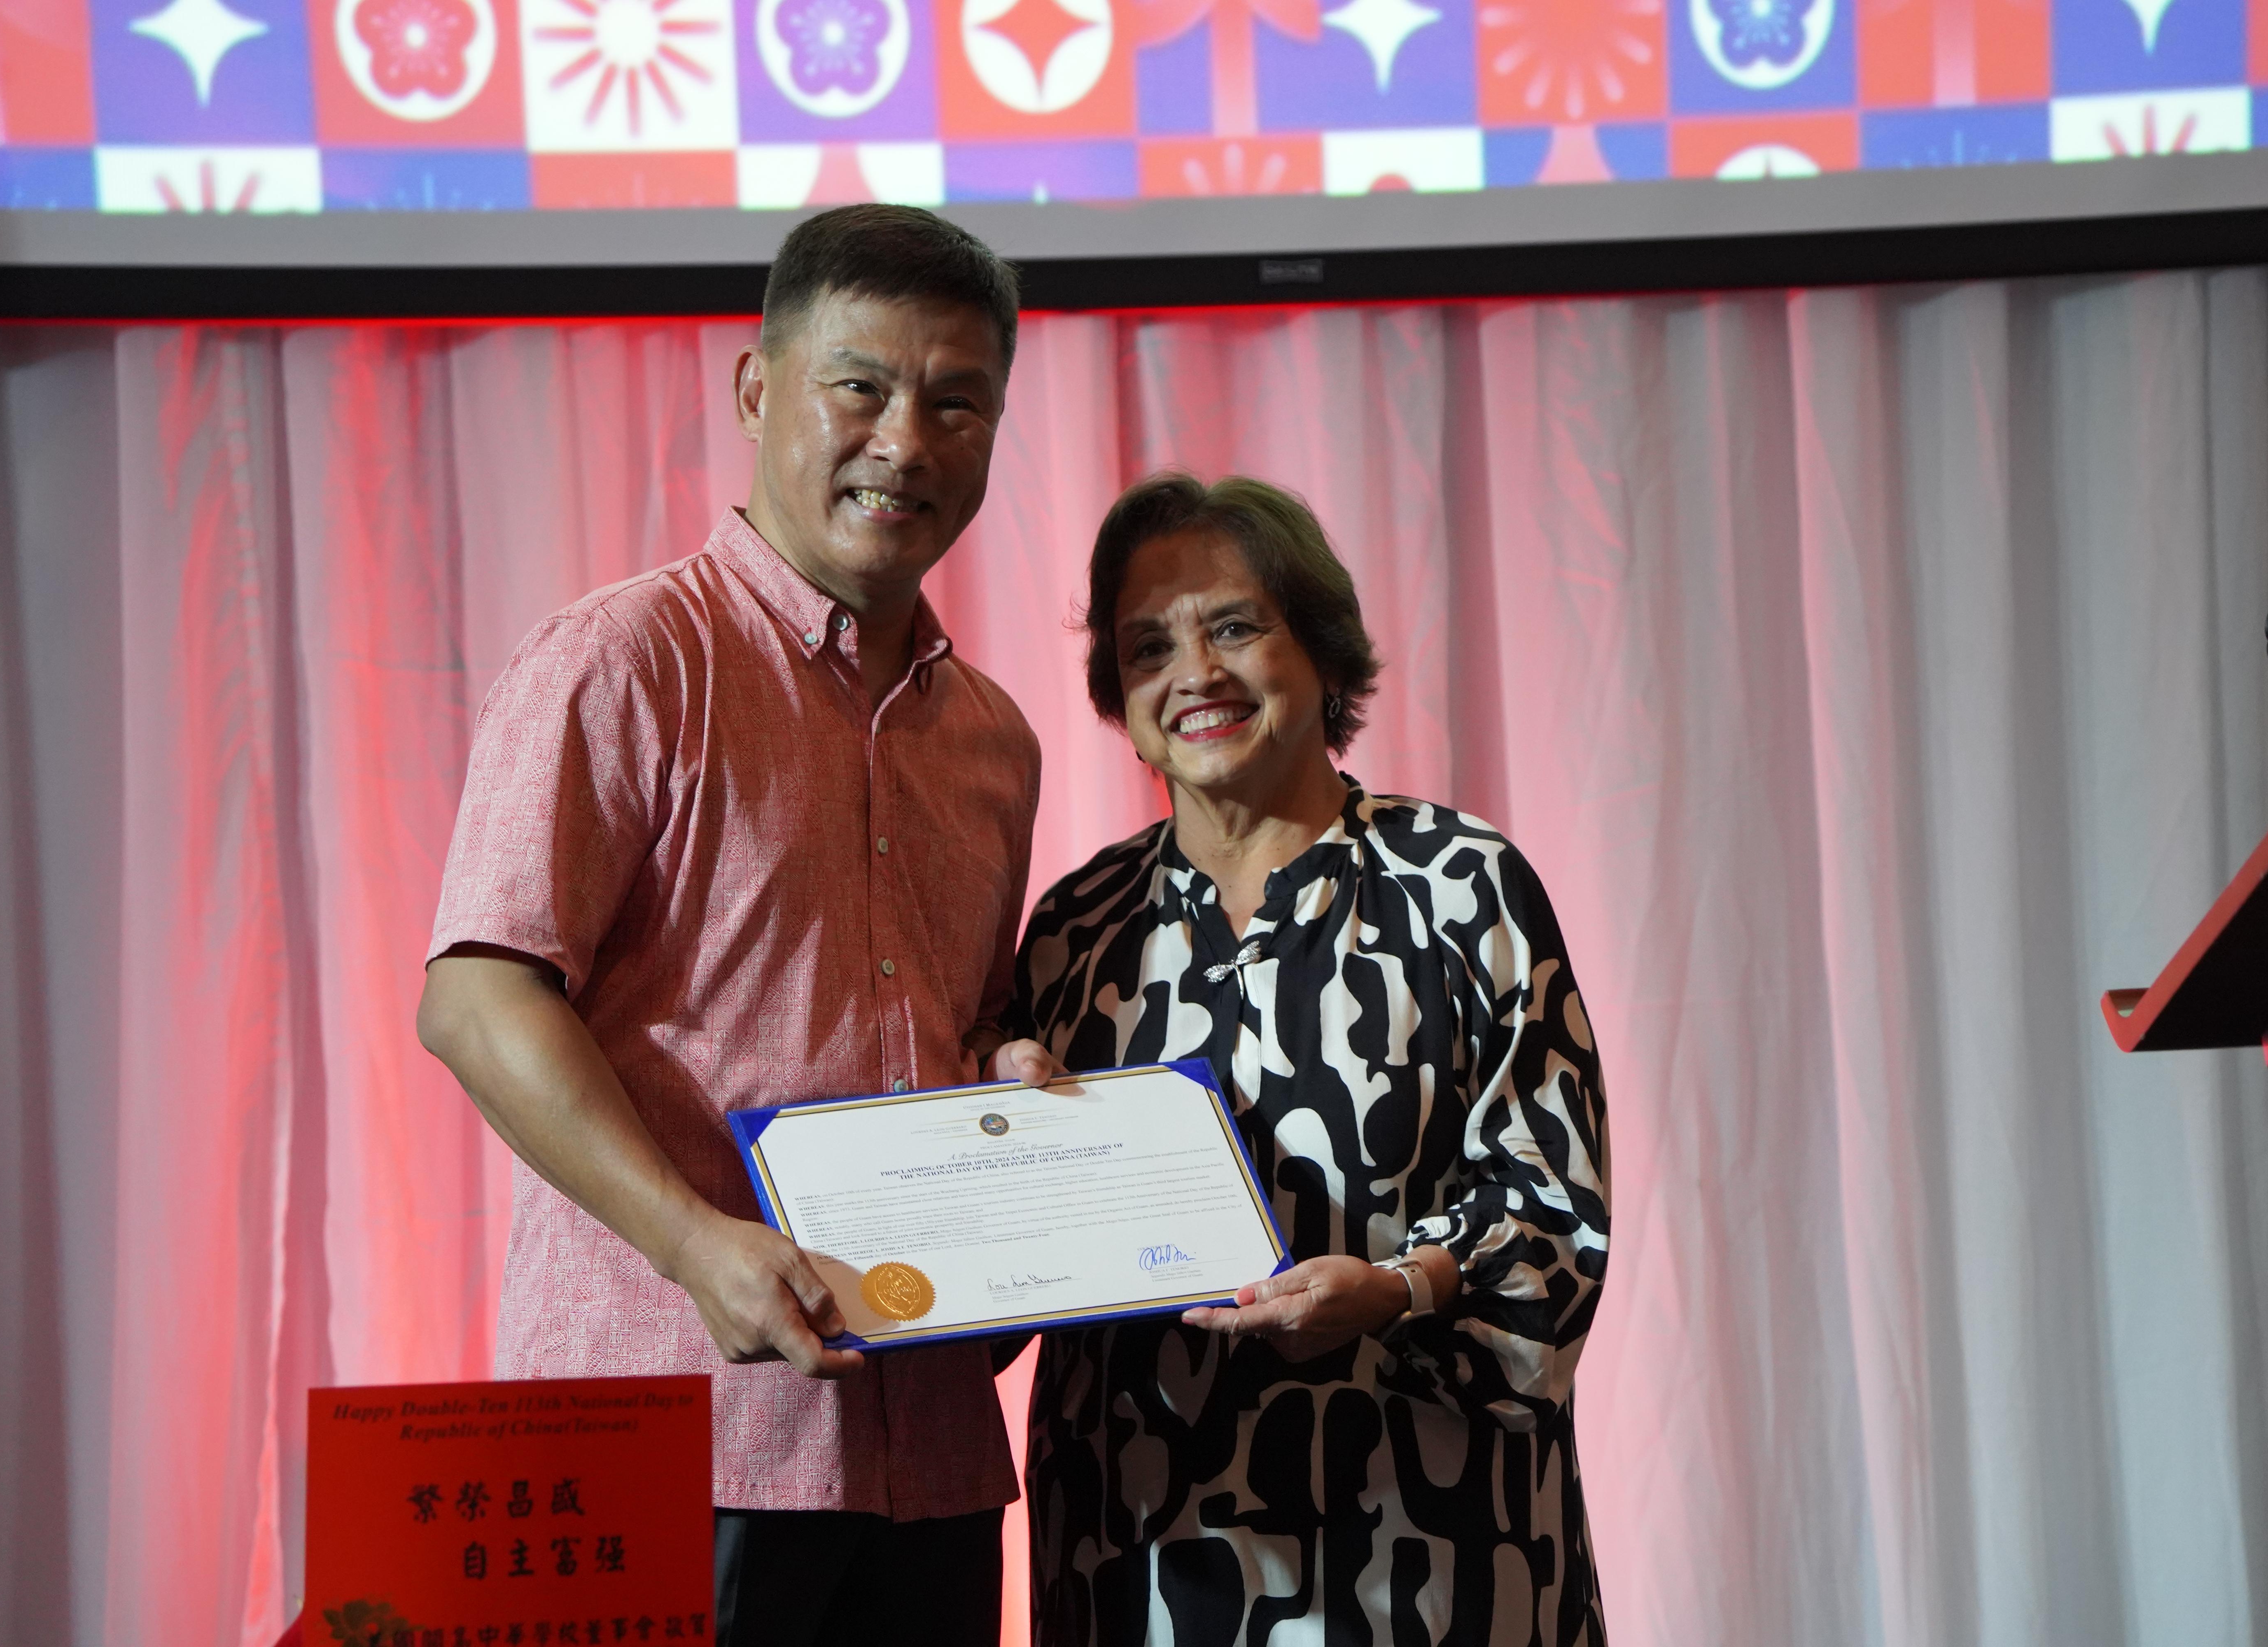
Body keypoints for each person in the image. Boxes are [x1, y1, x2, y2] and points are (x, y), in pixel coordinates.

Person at [415, 205, 1041, 1647]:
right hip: (679, 1438)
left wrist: (1015, 1094)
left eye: (959, 403)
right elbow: (478, 995)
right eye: (862, 386)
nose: (907, 440)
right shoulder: (625, 657)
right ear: (759, 391)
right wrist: (701, 1246)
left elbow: (962, 1026)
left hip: (935, 1452)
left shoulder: (995, 739)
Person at [990, 474, 1611, 1646]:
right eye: (1150, 645)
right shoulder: (1078, 925)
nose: (1197, 674)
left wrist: (1400, 1290)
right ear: (1118, 699)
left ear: (1321, 653)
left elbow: (1555, 1214)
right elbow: (1020, 1257)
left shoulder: (1463, 883)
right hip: (1138, 1554)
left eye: (1235, 625)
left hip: (1429, 1558)